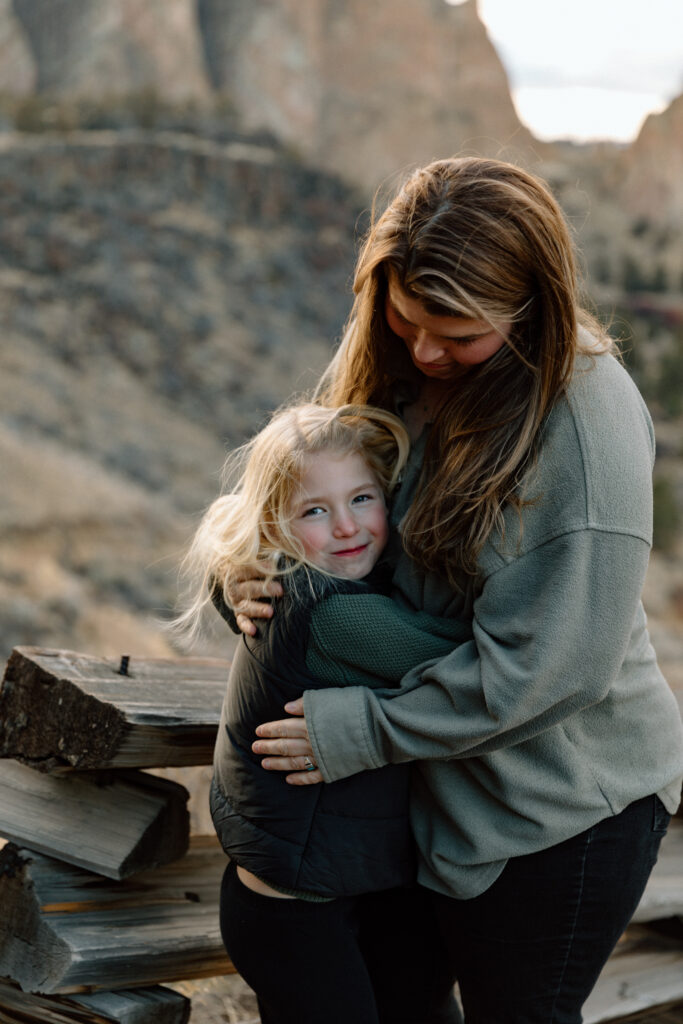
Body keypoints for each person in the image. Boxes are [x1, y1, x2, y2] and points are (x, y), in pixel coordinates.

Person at [231, 157, 683, 1024]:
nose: (426, 352)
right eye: (407, 320)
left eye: (458, 334)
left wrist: (365, 730)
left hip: (562, 808)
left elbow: (549, 672)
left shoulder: (583, 425)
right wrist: (262, 580)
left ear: (531, 311)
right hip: (436, 794)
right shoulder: (402, 365)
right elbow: (315, 501)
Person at [176, 402, 465, 1024]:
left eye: (363, 498)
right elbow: (479, 660)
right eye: (314, 511)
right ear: (275, 530)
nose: (346, 527)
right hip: (292, 912)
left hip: (346, 883)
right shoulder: (332, 611)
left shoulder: (320, 581)